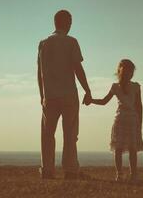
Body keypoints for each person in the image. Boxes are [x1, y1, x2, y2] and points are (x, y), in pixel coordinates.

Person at [37, 10, 92, 179]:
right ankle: (70, 169)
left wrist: (42, 95)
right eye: (70, 21)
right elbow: (77, 68)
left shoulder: (43, 43)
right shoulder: (71, 42)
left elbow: (39, 73)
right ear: (67, 23)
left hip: (50, 96)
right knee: (70, 134)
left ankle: (47, 169)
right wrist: (87, 90)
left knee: (47, 134)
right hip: (69, 95)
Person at [88, 59, 143, 182]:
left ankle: (132, 174)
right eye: (128, 71)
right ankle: (121, 174)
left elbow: (139, 106)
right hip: (122, 120)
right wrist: (91, 101)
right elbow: (104, 101)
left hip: (131, 120)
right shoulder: (116, 87)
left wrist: (140, 122)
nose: (130, 74)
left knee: (131, 148)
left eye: (131, 71)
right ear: (122, 72)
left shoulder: (135, 86)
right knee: (120, 148)